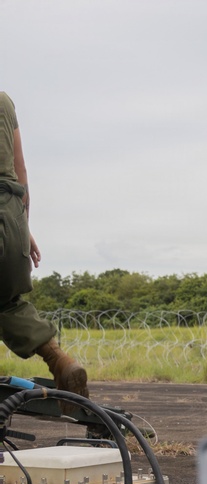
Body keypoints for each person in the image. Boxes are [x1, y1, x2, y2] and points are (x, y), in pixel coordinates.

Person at [0, 91, 88, 397]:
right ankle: (59, 360)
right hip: (11, 214)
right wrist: (23, 227)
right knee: (8, 302)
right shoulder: (4, 102)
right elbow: (21, 171)